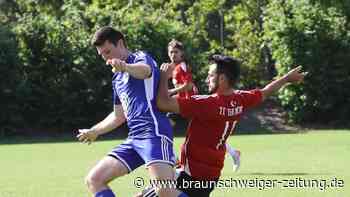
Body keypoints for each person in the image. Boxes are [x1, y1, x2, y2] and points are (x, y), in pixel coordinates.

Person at [139, 54, 306, 197]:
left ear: (222, 79)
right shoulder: (241, 99)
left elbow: (162, 103)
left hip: (192, 176)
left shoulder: (206, 103)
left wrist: (163, 77)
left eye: (210, 75)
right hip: (210, 176)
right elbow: (265, 92)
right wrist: (287, 79)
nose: (207, 79)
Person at [76, 26, 188, 197]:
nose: (106, 58)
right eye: (102, 55)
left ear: (120, 43)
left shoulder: (140, 58)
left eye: (108, 51)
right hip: (134, 139)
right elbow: (118, 115)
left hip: (154, 133)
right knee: (94, 179)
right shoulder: (117, 78)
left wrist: (126, 67)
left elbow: (145, 71)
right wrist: (94, 131)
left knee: (164, 190)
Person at [167, 40, 241, 171]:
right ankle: (234, 153)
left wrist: (171, 92)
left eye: (176, 52)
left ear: (182, 53)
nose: (173, 55)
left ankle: (172, 157)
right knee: (167, 123)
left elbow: (188, 85)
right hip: (184, 103)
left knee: (166, 123)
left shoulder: (182, 66)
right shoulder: (173, 68)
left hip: (191, 103)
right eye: (171, 52)